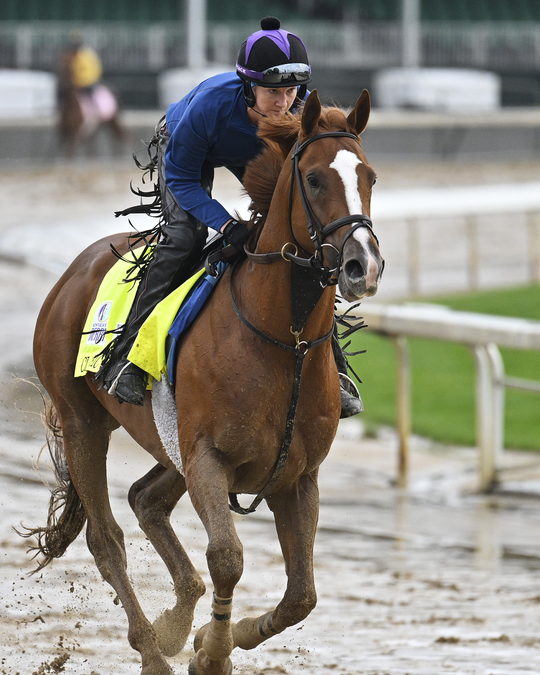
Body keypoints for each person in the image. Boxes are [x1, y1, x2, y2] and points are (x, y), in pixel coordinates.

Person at [100, 16, 363, 418]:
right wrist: (225, 223)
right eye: (273, 92)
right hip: (188, 146)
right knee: (184, 237)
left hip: (253, 149)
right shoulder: (210, 108)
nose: (285, 102)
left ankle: (336, 369)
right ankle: (128, 358)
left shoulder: (296, 113)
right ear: (248, 86)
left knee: (295, 242)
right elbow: (185, 180)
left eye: (292, 90)